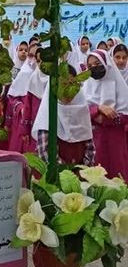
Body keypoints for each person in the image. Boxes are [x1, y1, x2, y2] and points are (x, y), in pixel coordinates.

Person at [84, 50, 128, 179]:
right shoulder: (87, 85)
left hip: (115, 139)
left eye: (97, 63)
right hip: (93, 139)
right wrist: (98, 108)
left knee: (116, 173)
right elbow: (80, 109)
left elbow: (125, 115)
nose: (94, 68)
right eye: (90, 66)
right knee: (95, 176)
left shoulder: (119, 84)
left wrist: (104, 120)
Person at [32, 77, 96, 167]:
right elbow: (45, 153)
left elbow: (90, 146)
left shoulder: (82, 111)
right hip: (54, 175)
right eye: (62, 85)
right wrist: (67, 173)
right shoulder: (48, 113)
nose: (67, 90)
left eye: (71, 84)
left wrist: (83, 171)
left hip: (81, 176)